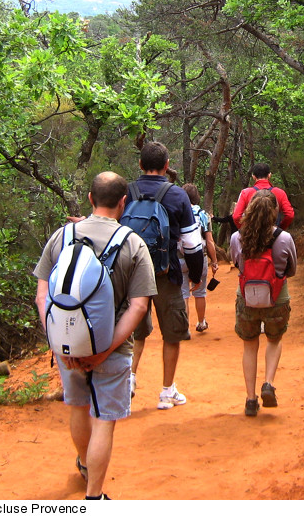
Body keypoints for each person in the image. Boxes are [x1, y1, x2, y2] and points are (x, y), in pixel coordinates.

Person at [33, 172, 156, 500]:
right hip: (113, 349)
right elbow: (139, 306)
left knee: (78, 408)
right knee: (104, 420)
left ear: (90, 198)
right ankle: (94, 495)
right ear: (123, 203)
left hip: (68, 344)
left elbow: (42, 297)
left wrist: (61, 345)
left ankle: (85, 465)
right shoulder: (133, 244)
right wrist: (104, 350)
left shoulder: (62, 237)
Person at [127, 142, 204, 409]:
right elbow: (192, 244)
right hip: (166, 274)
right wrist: (195, 275)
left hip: (131, 275)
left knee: (134, 331)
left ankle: (129, 379)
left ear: (140, 164)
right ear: (167, 165)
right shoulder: (177, 195)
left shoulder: (127, 192)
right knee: (172, 333)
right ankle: (167, 392)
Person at [230, 190, 297, 417]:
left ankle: (250, 399)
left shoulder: (237, 237)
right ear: (275, 212)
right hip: (277, 299)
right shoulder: (284, 238)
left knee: (249, 345)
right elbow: (292, 270)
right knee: (274, 340)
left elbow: (237, 263)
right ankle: (268, 383)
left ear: (249, 211)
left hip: (247, 299)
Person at [180, 183, 219, 333]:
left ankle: (184, 328)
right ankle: (201, 322)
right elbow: (209, 241)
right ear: (196, 197)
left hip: (180, 258)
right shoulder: (203, 215)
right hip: (199, 257)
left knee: (183, 294)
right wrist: (214, 261)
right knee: (200, 293)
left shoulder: (177, 212)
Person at [232, 163, 294, 230]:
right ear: (269, 175)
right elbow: (290, 215)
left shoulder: (245, 193)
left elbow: (236, 216)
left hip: (252, 233)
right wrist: (279, 229)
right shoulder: (280, 193)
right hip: (273, 233)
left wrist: (246, 230)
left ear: (253, 177)